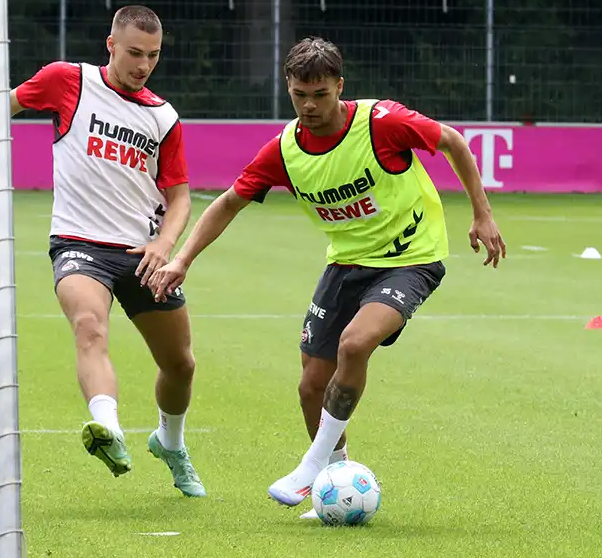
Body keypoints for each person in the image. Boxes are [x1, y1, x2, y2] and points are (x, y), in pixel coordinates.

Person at [147, 36, 504, 512]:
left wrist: (481, 213)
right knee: (312, 384)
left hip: (410, 258)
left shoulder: (382, 123)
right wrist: (182, 259)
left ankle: (313, 465)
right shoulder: (285, 150)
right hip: (345, 264)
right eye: (299, 95)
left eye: (321, 94)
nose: (310, 106)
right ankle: (334, 483)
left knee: (354, 345)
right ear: (288, 89)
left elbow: (453, 141)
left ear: (340, 86)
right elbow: (229, 202)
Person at [0, 5, 206, 498]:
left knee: (181, 365)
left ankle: (170, 441)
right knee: (90, 326)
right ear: (111, 45)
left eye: (152, 55)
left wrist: (165, 244)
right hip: (79, 244)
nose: (143, 64)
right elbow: (3, 103)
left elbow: (181, 197)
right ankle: (107, 426)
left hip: (143, 252)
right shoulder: (69, 81)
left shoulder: (163, 117)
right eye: (134, 53)